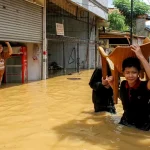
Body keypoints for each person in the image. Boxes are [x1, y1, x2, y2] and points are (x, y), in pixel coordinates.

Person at [107, 45, 150, 131]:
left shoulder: (145, 86)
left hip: (143, 126)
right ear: (123, 73)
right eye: (127, 72)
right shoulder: (123, 84)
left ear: (138, 73)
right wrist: (112, 85)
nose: (130, 75)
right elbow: (123, 98)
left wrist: (140, 56)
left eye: (134, 72)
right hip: (126, 122)